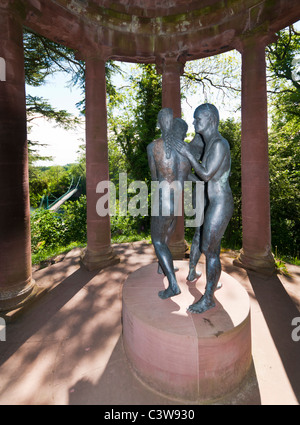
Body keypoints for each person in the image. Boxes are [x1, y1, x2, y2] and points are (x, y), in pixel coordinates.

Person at [173, 103, 234, 313]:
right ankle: (210, 286)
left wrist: (188, 155)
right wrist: (182, 176)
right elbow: (202, 180)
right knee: (210, 247)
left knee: (210, 249)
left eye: (198, 118)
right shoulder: (207, 143)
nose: (194, 122)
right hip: (212, 202)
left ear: (210, 119)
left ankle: (209, 298)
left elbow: (206, 174)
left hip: (221, 203)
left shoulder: (219, 144)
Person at [147, 108, 193, 299]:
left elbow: (154, 176)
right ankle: (161, 266)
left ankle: (173, 285)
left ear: (159, 123)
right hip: (178, 201)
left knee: (157, 240)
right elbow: (187, 176)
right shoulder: (183, 149)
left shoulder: (153, 147)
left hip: (163, 199)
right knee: (165, 235)